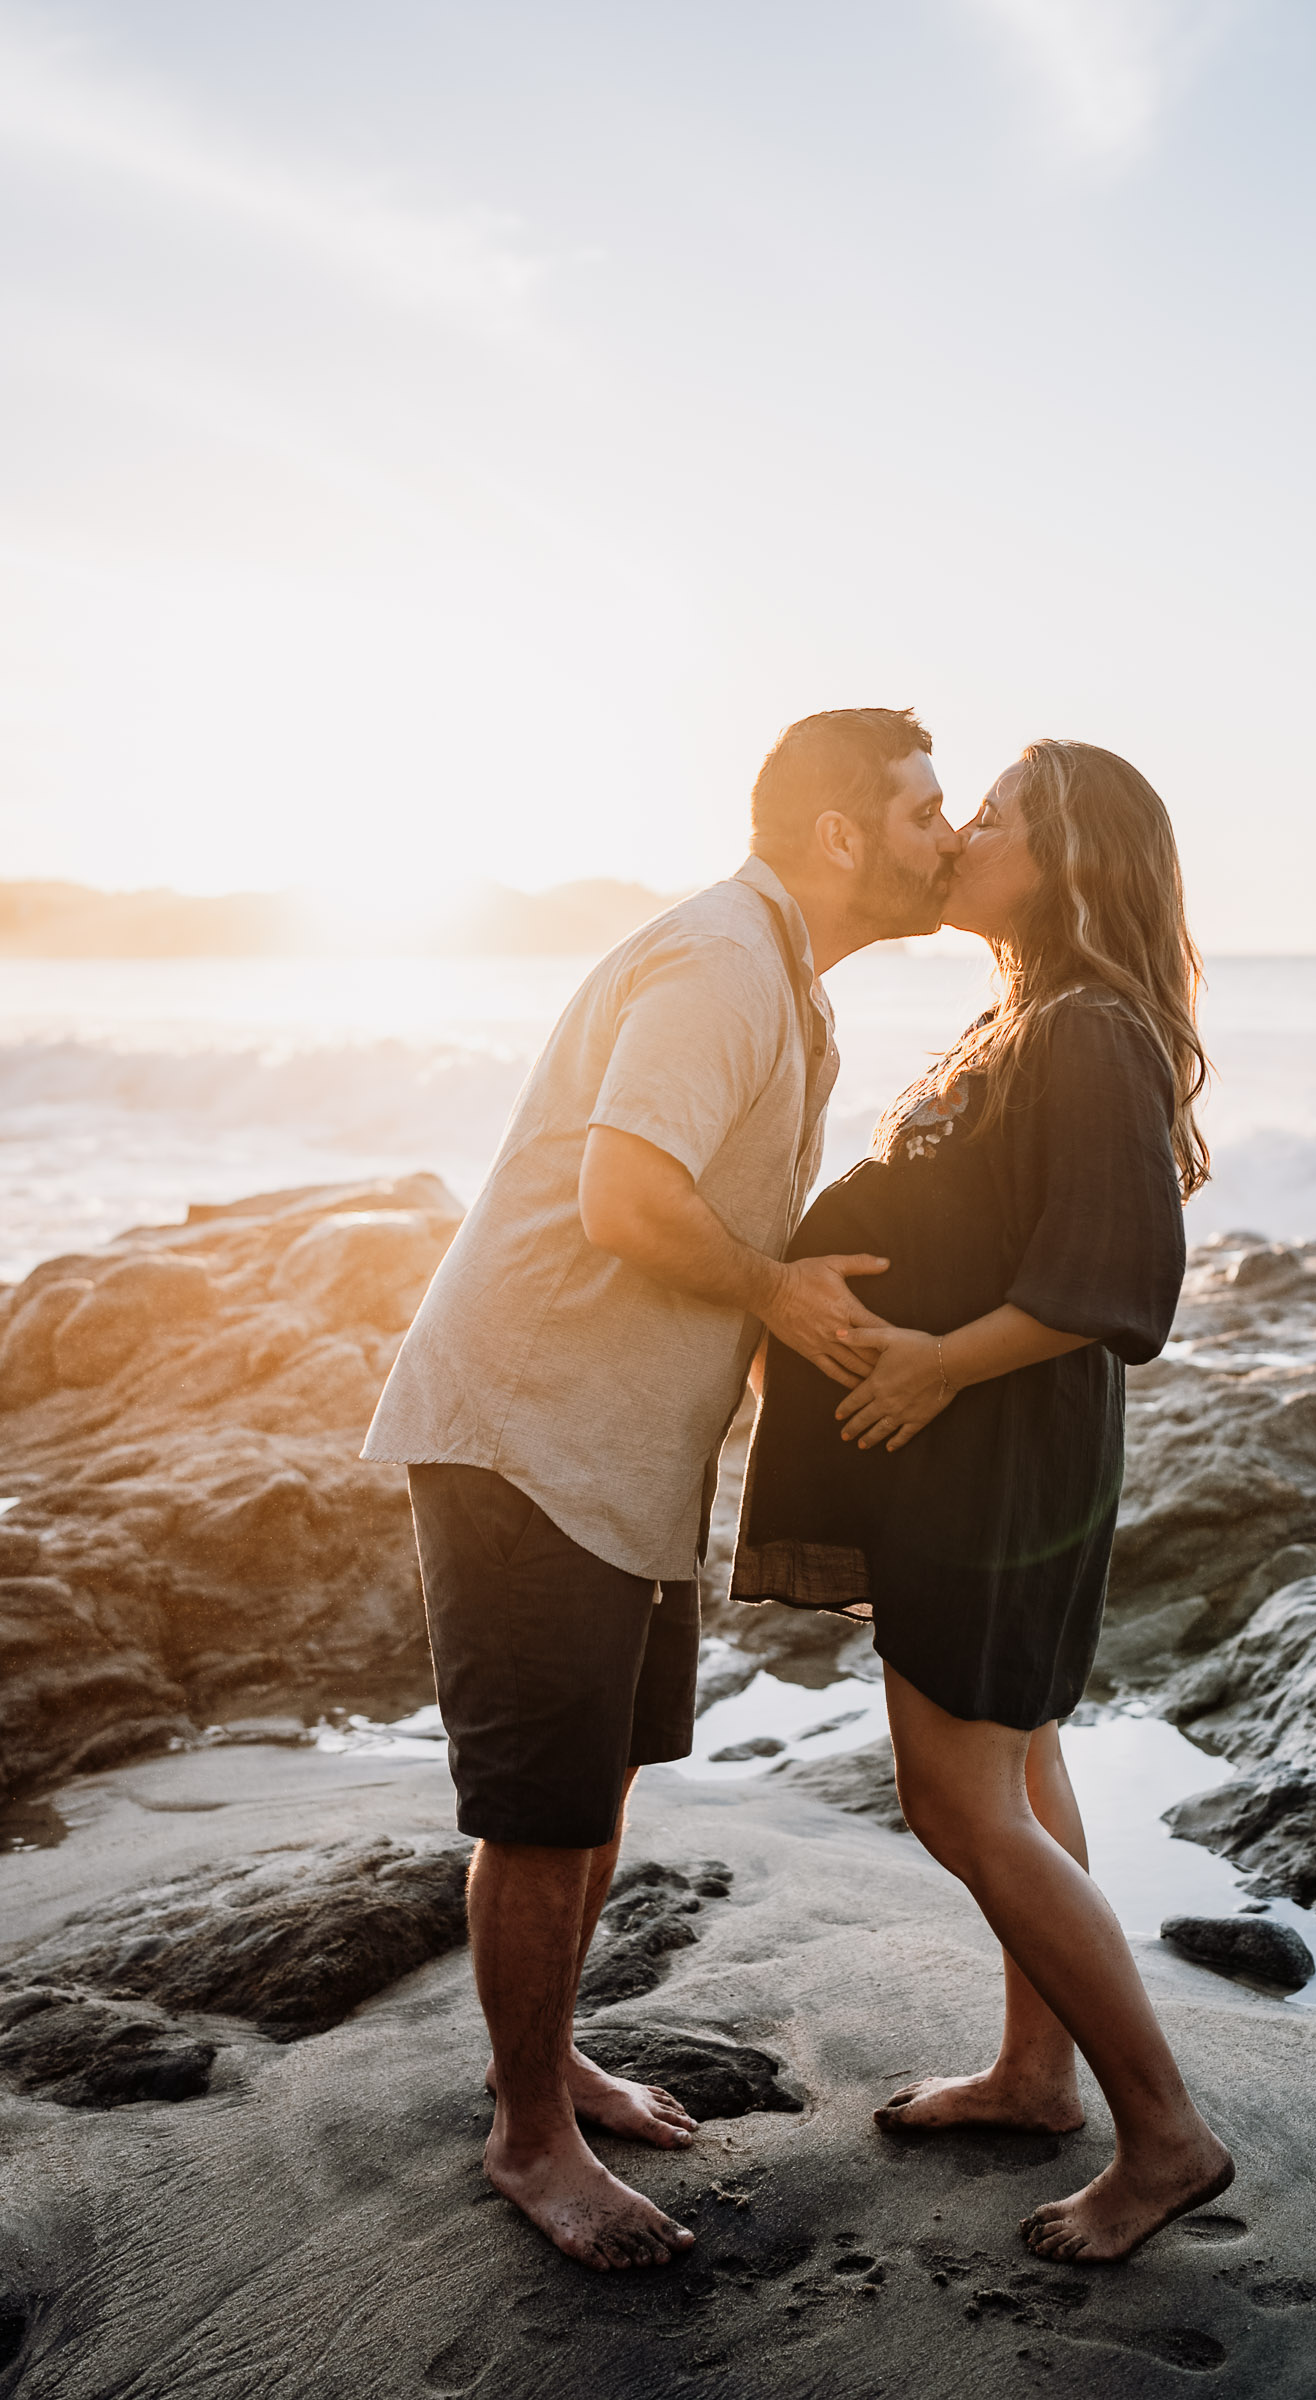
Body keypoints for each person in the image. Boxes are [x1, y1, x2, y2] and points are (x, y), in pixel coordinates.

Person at [363, 707, 961, 2270]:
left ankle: (544, 2064)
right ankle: (528, 2140)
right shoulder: (719, 964)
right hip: (528, 1433)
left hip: (615, 1453)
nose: (945, 840)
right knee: (543, 1810)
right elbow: (623, 1197)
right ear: (840, 834)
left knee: (597, 1786)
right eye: (920, 812)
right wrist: (774, 1292)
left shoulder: (778, 975)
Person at [733, 738, 1234, 2262]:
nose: (956, 836)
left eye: (991, 818)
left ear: (1067, 859)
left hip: (1001, 1454)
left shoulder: (1085, 1027)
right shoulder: (1026, 1014)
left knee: (958, 1797)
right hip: (978, 1449)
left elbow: (1113, 1281)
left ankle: (1165, 2137)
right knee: (1012, 1762)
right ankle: (1036, 2073)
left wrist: (938, 1367)